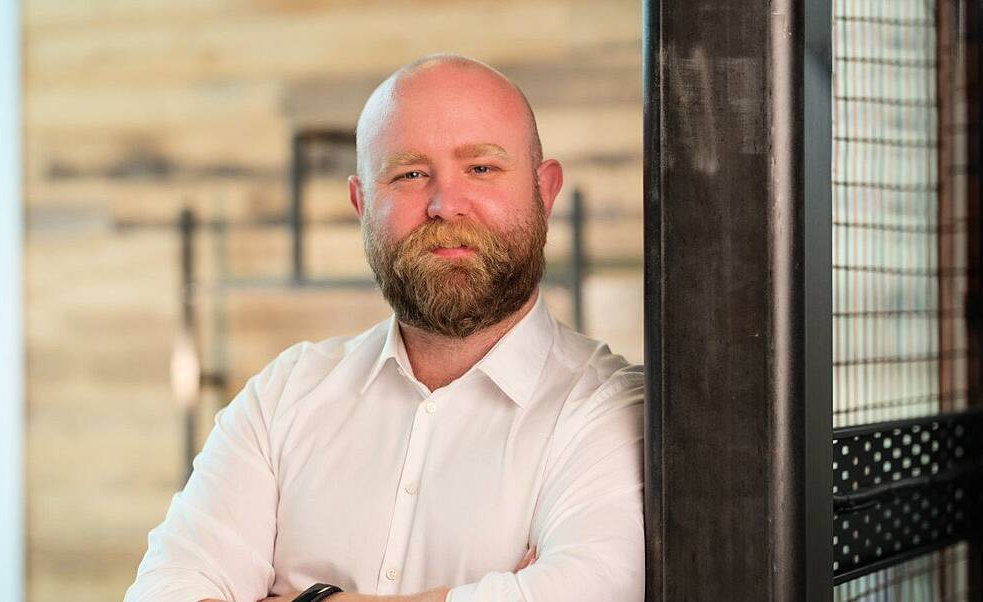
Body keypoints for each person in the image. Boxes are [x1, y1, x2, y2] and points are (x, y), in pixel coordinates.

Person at [125, 53, 644, 602]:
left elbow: (597, 589)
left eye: (482, 168)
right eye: (411, 174)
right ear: (361, 201)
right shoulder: (284, 395)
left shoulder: (610, 408)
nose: (446, 204)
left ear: (546, 190)